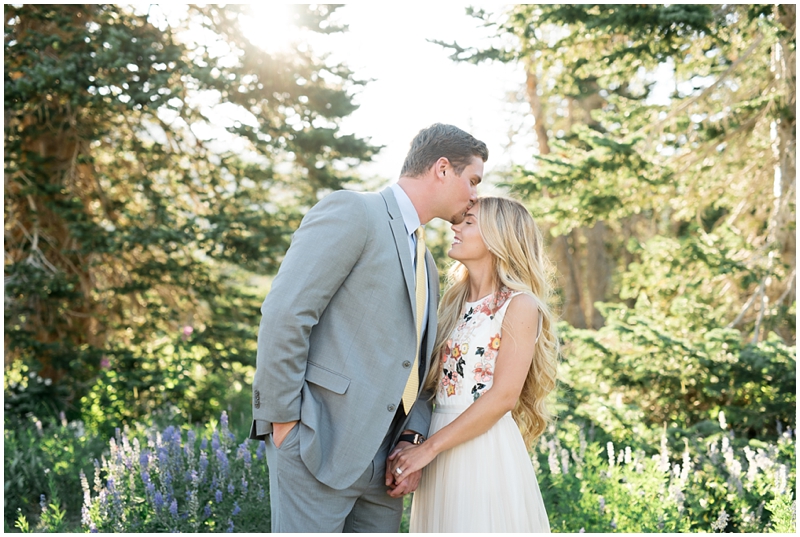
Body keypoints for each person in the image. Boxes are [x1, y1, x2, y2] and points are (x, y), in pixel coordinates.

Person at [249, 124, 489, 533]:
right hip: (316, 446)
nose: (474, 196)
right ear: (443, 169)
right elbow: (286, 313)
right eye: (473, 181)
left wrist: (411, 440)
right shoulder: (354, 212)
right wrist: (284, 424)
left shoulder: (427, 265)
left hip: (383, 469)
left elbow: (415, 363)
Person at [388, 196, 559, 533]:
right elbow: (429, 385)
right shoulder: (452, 301)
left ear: (499, 237)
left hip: (484, 450)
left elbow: (503, 397)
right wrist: (415, 444)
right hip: (439, 445)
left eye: (469, 222)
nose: (455, 226)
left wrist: (426, 451)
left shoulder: (520, 304)